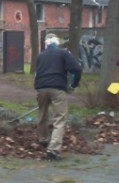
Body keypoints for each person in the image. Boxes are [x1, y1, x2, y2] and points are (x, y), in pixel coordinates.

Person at [34, 33, 81, 161]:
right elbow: (76, 69)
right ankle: (53, 151)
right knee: (59, 119)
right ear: (57, 43)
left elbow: (36, 73)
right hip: (57, 88)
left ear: (46, 44)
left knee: (42, 115)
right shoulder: (64, 53)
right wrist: (74, 85)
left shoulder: (40, 56)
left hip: (41, 88)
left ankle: (44, 140)